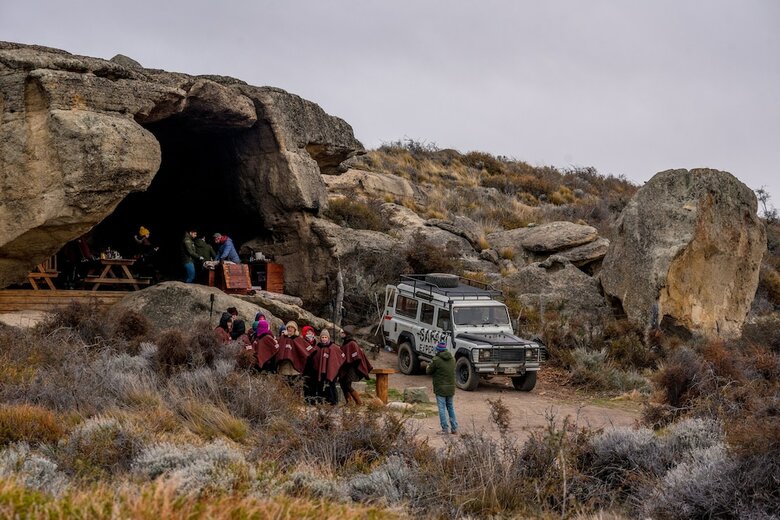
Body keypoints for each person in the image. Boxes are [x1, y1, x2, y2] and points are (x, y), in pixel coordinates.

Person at [426, 340, 459, 435]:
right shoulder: (453, 359)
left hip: (440, 388)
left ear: (438, 350)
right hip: (451, 387)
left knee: (441, 408)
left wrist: (428, 365)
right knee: (451, 407)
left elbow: (428, 371)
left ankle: (445, 429)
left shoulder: (436, 360)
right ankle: (454, 428)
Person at [309, 329, 345, 405]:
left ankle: (333, 402)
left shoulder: (333, 347)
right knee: (320, 385)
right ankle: (321, 401)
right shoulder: (317, 347)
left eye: (326, 337)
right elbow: (314, 358)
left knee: (331, 385)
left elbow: (342, 356)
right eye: (323, 337)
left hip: (331, 371)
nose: (324, 339)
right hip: (319, 371)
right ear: (320, 338)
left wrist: (335, 367)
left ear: (328, 338)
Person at [338, 326, 373, 406]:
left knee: (347, 384)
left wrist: (350, 362)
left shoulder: (352, 343)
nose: (341, 334)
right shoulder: (346, 343)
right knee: (342, 383)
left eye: (343, 333)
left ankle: (358, 402)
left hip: (351, 368)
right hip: (346, 367)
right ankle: (349, 402)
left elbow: (356, 356)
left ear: (347, 333)